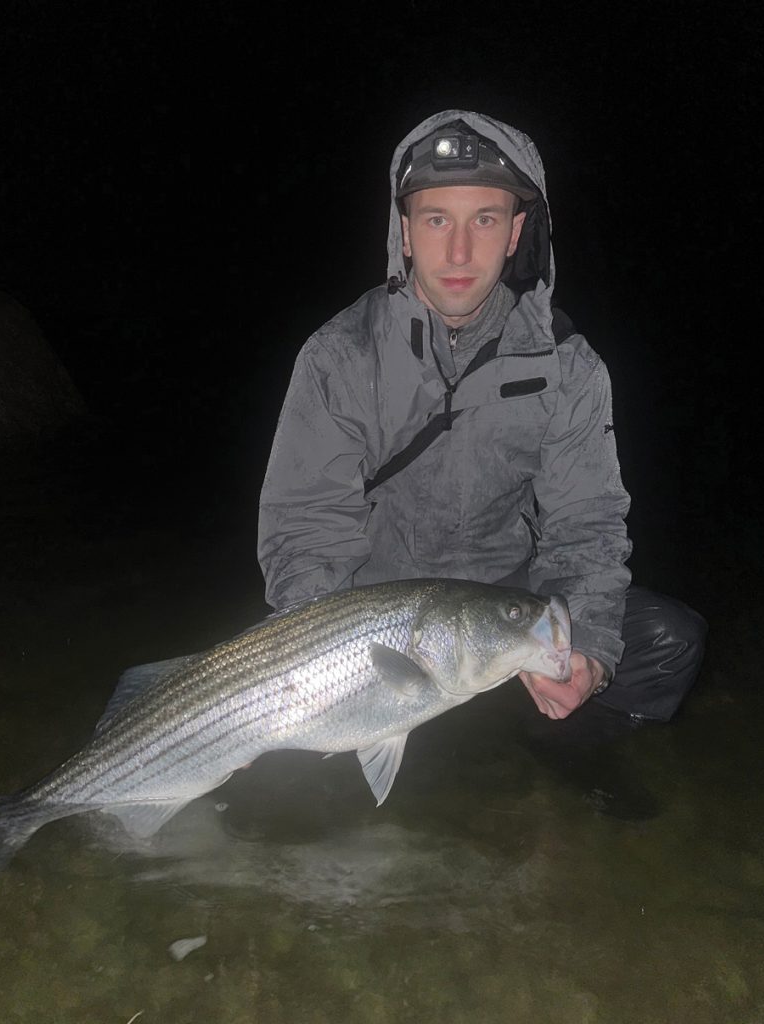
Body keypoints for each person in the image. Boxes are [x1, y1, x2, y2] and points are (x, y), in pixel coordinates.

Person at [258, 110, 706, 747]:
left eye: (485, 220)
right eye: (437, 219)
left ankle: (564, 770)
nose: (460, 251)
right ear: (404, 231)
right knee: (291, 765)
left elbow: (586, 526)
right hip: (381, 621)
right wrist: (295, 673)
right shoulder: (339, 356)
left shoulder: (569, 364)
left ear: (517, 230)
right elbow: (305, 531)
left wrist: (593, 655)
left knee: (667, 642)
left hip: (504, 602)